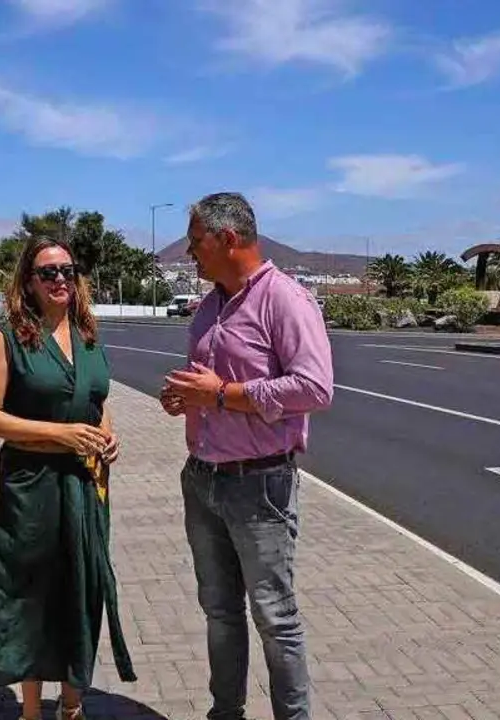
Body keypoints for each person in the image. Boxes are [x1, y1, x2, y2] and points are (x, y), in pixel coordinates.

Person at [160, 192, 333, 720]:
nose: (190, 254)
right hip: (203, 479)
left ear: (228, 239)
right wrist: (185, 398)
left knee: (275, 616)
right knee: (219, 613)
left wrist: (219, 394)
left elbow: (314, 388)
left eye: (196, 243)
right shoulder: (210, 305)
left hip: (260, 486)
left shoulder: (285, 300)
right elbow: (208, 385)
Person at [0, 237, 136, 720]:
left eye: (67, 270)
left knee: (82, 588)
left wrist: (107, 435)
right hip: (31, 486)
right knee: (31, 592)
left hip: (85, 485)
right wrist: (60, 434)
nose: (60, 279)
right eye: (48, 272)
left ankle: (73, 704)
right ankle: (32, 711)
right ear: (28, 282)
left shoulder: (89, 335)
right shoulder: (7, 338)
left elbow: (97, 401)